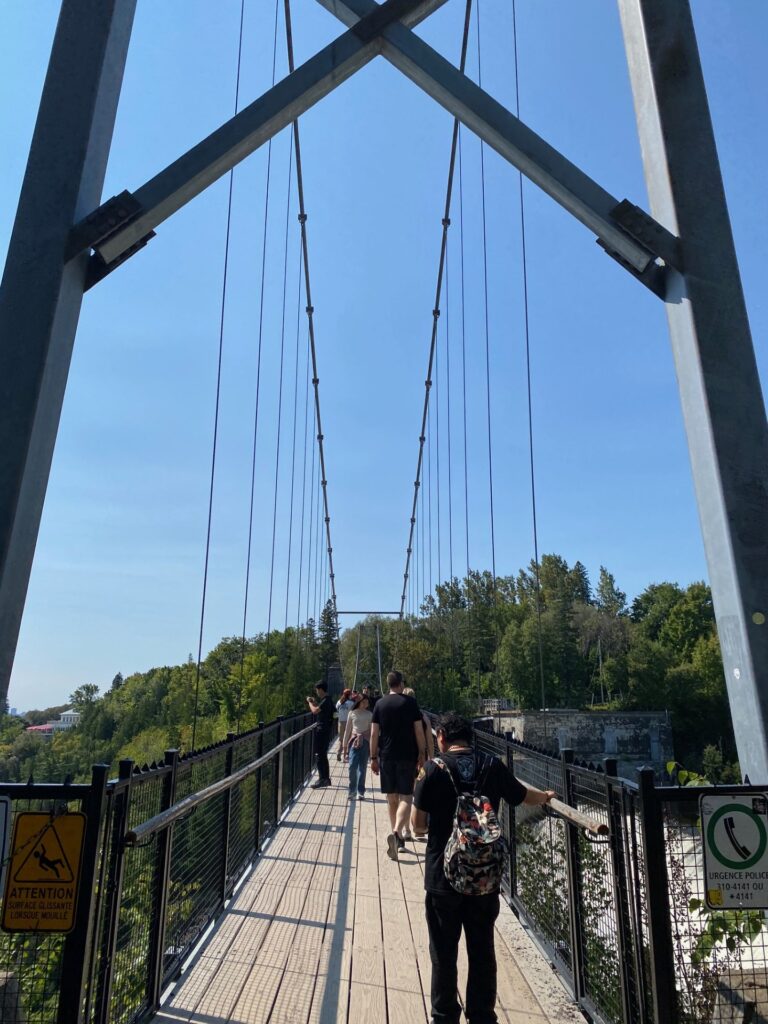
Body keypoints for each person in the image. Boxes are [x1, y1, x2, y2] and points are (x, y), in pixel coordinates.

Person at [412, 711, 556, 1024]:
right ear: (471, 738)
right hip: (485, 878)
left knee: (443, 952)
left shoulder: (432, 770)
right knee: (482, 950)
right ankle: (481, 1016)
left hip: (442, 876)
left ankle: (444, 1016)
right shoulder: (492, 766)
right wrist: (545, 796)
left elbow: (418, 825)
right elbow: (522, 795)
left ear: (441, 739)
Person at [370, 670, 426, 861]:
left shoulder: (379, 704)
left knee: (391, 798)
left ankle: (399, 840)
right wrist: (422, 753)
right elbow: (419, 730)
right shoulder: (410, 703)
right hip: (406, 756)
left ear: (388, 684)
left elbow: (373, 734)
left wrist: (373, 758)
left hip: (386, 756)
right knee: (406, 797)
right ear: (401, 683)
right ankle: (396, 833)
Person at [342, 693, 373, 799]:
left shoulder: (370, 714)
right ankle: (352, 790)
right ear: (359, 702)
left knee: (362, 768)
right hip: (353, 741)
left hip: (365, 742)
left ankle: (360, 791)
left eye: (367, 702)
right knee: (352, 766)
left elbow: (372, 731)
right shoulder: (352, 713)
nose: (366, 704)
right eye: (364, 702)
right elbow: (347, 730)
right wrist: (344, 746)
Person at [306, 680, 334, 788]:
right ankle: (325, 779)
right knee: (323, 754)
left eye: (317, 690)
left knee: (319, 755)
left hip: (322, 730)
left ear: (321, 689)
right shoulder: (329, 700)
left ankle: (322, 779)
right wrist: (314, 702)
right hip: (326, 730)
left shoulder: (326, 700)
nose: (317, 692)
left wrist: (309, 703)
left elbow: (315, 711)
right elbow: (320, 709)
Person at [335, 688, 355, 761]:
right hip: (348, 722)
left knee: (341, 739)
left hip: (340, 722)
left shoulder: (339, 702)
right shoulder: (351, 703)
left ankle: (338, 752)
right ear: (349, 695)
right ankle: (347, 754)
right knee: (349, 739)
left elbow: (336, 712)